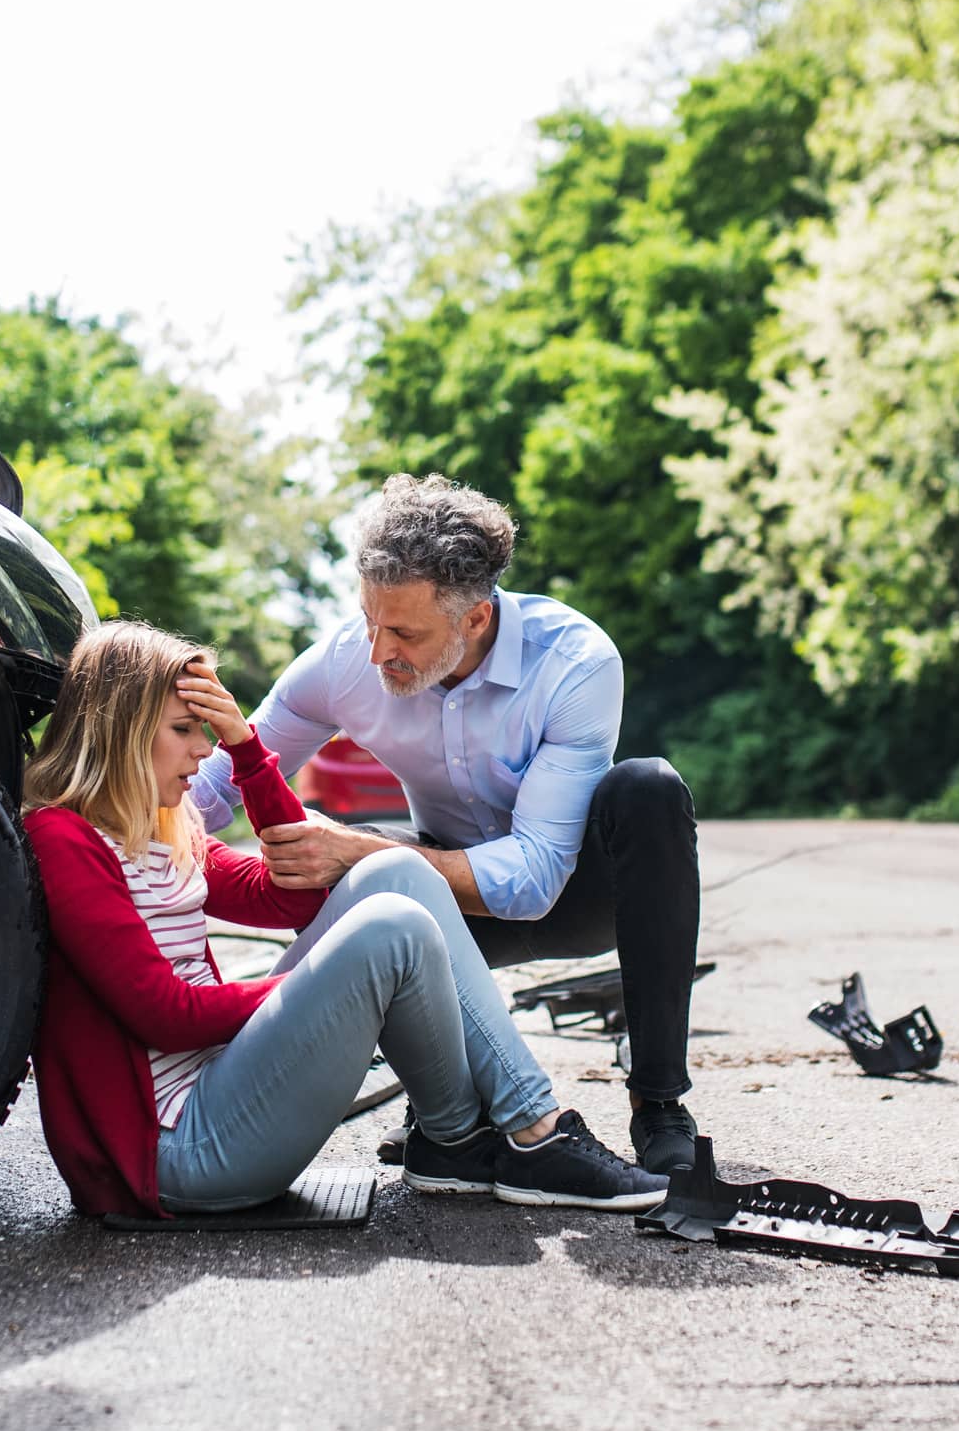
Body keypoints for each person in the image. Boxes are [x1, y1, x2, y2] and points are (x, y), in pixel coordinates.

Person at [23, 619, 667, 1218]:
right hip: (173, 1153)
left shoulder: (165, 832)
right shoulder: (64, 838)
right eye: (183, 730)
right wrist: (326, 989)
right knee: (391, 929)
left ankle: (456, 1143)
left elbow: (295, 896)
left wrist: (249, 751)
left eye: (208, 731)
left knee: (397, 873)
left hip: (220, 1089)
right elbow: (160, 1013)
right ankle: (533, 1131)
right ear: (121, 730)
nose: (203, 752)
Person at [188, 474, 706, 1177]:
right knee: (351, 870)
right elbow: (217, 780)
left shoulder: (576, 661)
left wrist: (360, 851)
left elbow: (532, 882)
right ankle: (445, 1109)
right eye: (371, 621)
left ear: (476, 619)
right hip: (446, 900)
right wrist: (114, 830)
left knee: (649, 788)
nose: (378, 651)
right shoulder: (346, 660)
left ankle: (659, 1100)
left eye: (403, 632)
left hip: (575, 892)